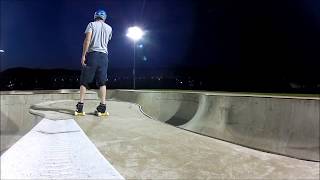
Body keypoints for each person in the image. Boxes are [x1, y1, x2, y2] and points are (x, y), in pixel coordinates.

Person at [75, 9, 112, 116]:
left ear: (95, 16)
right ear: (104, 17)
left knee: (84, 81)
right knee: (102, 82)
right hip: (104, 56)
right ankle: (103, 107)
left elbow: (87, 40)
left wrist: (83, 55)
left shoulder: (91, 24)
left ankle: (80, 107)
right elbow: (107, 41)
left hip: (93, 55)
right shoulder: (109, 28)